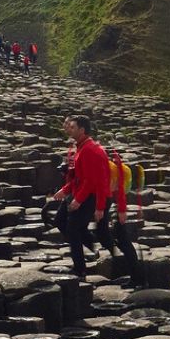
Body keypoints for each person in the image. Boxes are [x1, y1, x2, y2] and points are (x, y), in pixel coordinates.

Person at [51, 115, 110, 274]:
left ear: (82, 130)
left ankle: (80, 268)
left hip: (88, 195)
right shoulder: (81, 147)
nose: (69, 129)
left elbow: (90, 180)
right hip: (79, 192)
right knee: (60, 221)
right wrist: (66, 190)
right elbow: (78, 177)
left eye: (73, 127)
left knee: (72, 229)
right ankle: (91, 246)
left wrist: (78, 200)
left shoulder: (89, 150)